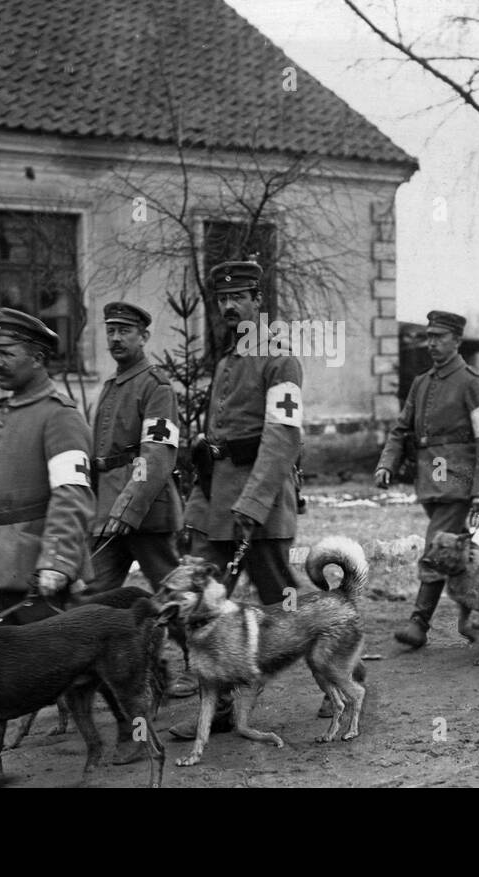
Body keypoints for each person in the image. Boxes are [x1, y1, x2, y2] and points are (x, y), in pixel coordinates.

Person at [0, 307, 97, 786]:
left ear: (39, 357)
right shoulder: (0, 414)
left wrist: (58, 562)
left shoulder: (60, 418)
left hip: (35, 570)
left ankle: (132, 733)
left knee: (84, 659)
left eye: (8, 354)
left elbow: (73, 495)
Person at [169, 260, 304, 739]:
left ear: (258, 301)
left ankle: (347, 678)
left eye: (239, 297)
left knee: (285, 606)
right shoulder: (226, 361)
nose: (229, 306)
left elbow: (282, 436)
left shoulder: (280, 359)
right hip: (219, 506)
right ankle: (223, 708)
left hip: (259, 509)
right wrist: (197, 509)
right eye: (222, 299)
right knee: (210, 605)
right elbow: (212, 446)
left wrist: (252, 504)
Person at [376, 310, 479, 648]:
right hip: (430, 482)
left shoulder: (472, 383)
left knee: (437, 545)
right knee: (458, 547)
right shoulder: (421, 383)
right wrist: (386, 463)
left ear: (457, 341)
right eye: (428, 336)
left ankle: (419, 623)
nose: (431, 343)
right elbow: (401, 429)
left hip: (459, 481)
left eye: (439, 337)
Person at [85, 301, 182, 593]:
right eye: (111, 331)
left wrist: (128, 507)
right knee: (91, 596)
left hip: (146, 513)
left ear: (143, 337)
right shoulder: (111, 385)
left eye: (125, 331)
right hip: (106, 510)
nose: (115, 338)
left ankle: (197, 640)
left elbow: (156, 454)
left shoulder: (156, 386)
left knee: (173, 595)